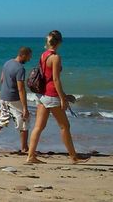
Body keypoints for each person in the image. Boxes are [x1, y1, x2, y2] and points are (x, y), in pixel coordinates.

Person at [26, 30, 89, 164]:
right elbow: (55, 79)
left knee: (38, 127)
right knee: (65, 126)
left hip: (42, 95)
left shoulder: (43, 55)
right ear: (59, 42)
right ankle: (73, 157)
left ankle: (30, 156)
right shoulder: (56, 57)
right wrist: (62, 98)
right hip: (52, 95)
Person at [0, 47, 32, 153]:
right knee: (24, 121)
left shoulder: (7, 63)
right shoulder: (20, 69)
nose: (29, 60)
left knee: (1, 121)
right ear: (23, 55)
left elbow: (1, 80)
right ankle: (24, 148)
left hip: (3, 97)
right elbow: (21, 89)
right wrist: (25, 108)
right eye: (28, 57)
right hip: (14, 98)